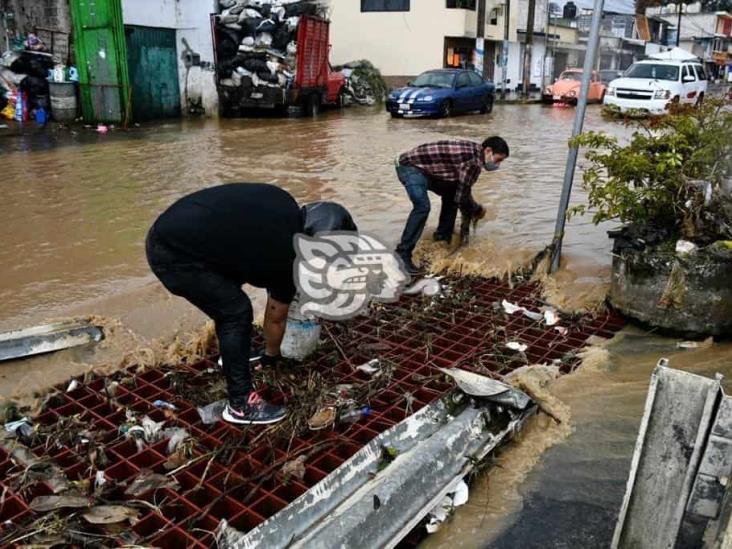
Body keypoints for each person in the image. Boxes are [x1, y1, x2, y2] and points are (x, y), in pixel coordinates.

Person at [146, 183, 357, 425]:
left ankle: (233, 356)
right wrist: (272, 355)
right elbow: (276, 316)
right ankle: (240, 404)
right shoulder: (285, 258)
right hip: (173, 256)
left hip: (171, 231)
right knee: (235, 312)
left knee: (228, 297)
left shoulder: (282, 201)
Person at [394, 136, 510, 274]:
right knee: (422, 207)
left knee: (452, 194)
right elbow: (463, 199)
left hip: (427, 169)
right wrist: (476, 210)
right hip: (409, 167)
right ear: (488, 151)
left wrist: (471, 208)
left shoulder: (475, 152)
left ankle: (442, 238)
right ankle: (402, 255)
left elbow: (460, 194)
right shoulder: (472, 163)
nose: (497, 165)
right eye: (498, 160)